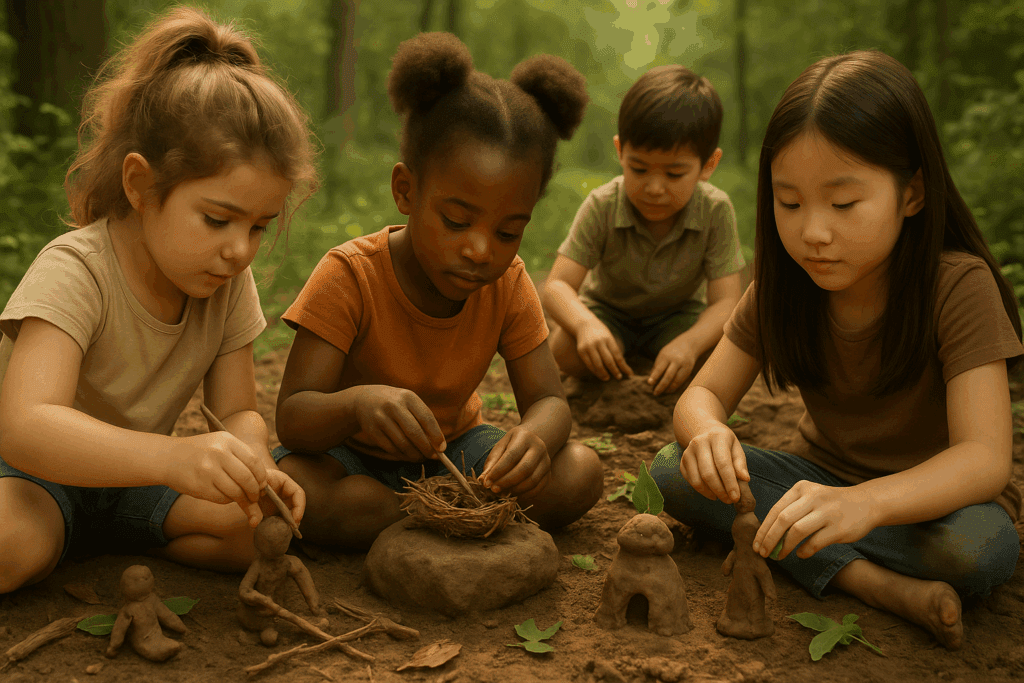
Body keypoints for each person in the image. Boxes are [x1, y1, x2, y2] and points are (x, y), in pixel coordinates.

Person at [651, 50, 1024, 650]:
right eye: (789, 203)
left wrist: (868, 504)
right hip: (817, 480)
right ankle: (874, 582)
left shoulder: (957, 285)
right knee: (675, 470)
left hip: (936, 506)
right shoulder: (783, 287)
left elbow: (984, 459)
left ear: (913, 194)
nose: (812, 232)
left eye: (844, 204)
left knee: (977, 551)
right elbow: (703, 393)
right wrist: (706, 433)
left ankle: (826, 557)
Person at [0, 7, 318, 593]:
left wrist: (255, 465)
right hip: (33, 476)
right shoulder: (77, 270)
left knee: (260, 529)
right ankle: (65, 537)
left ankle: (94, 545)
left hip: (135, 485)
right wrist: (171, 460)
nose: (239, 251)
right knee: (13, 546)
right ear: (142, 186)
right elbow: (25, 425)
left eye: (257, 227)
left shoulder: (224, 284)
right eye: (218, 219)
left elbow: (238, 411)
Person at [273, 32, 604, 550]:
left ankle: (435, 514)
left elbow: (549, 401)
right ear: (406, 190)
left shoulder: (509, 282)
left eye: (508, 231)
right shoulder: (350, 275)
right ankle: (447, 518)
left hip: (459, 458)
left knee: (580, 470)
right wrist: (358, 405)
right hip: (350, 460)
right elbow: (293, 418)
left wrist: (534, 439)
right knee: (302, 489)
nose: (480, 250)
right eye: (456, 221)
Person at [542, 65, 745, 396]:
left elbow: (726, 303)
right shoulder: (603, 205)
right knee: (564, 349)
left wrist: (689, 345)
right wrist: (586, 325)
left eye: (674, 174)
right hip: (608, 313)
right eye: (639, 168)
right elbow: (558, 285)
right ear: (621, 151)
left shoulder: (715, 209)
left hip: (677, 319)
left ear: (708, 165)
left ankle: (653, 361)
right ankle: (621, 359)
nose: (654, 188)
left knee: (721, 351)